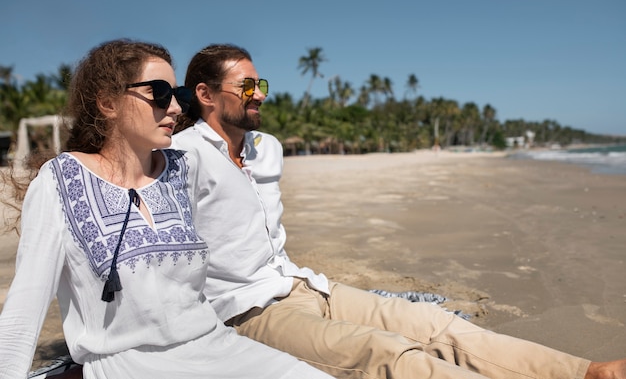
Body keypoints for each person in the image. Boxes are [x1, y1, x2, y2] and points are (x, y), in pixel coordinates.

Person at [172, 43, 626, 379]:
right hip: (250, 311)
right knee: (388, 354)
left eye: (261, 84)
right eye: (247, 86)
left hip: (304, 284)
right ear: (206, 95)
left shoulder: (266, 148)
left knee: (435, 325)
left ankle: (589, 372)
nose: (259, 95)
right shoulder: (182, 155)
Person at [0, 39, 333, 379]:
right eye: (160, 93)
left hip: (221, 347)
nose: (175, 108)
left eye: (180, 96)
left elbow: (252, 222)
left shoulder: (185, 168)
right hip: (133, 367)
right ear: (107, 102)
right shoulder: (60, 182)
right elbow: (24, 310)